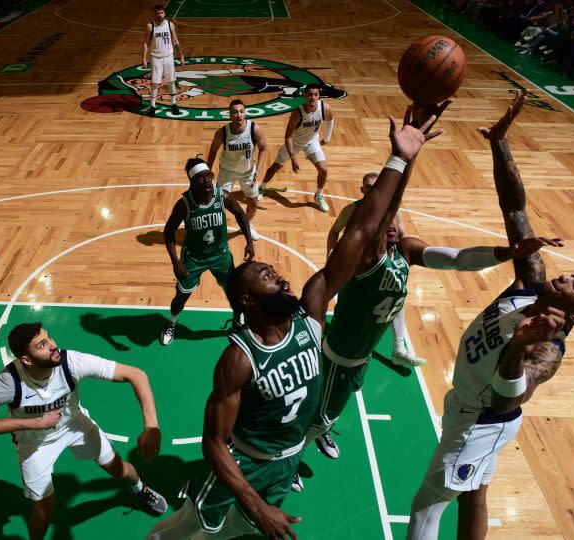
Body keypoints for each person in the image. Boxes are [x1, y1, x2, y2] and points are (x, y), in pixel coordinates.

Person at [147, 107, 444, 540]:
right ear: (247, 299)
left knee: (244, 533)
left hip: (285, 463)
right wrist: (254, 503)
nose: (283, 278)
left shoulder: (310, 316)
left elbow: (362, 232)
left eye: (278, 274)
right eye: (269, 277)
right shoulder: (239, 359)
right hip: (245, 464)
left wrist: (400, 160)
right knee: (179, 535)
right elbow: (213, 443)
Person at [406, 91, 574, 540]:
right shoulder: (531, 282)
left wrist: (518, 348)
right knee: (474, 494)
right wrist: (499, 142)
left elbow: (511, 398)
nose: (566, 276)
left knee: (427, 503)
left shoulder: (547, 348)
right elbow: (515, 209)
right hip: (465, 406)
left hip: (480, 421)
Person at [304, 101, 555, 474]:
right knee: (318, 415)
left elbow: (456, 258)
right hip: (340, 355)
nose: (390, 222)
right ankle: (293, 454)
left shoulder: (405, 250)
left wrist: (507, 252)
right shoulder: (366, 256)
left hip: (362, 353)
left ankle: (320, 425)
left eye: (394, 219)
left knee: (331, 407)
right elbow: (386, 211)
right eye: (385, 218)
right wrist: (406, 157)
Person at [0, 322, 168, 539]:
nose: (53, 346)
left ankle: (139, 489)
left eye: (50, 339)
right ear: (26, 360)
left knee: (120, 469)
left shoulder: (70, 362)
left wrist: (151, 425)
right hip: (34, 445)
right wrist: (33, 424)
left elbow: (136, 375)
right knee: (44, 512)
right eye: (42, 345)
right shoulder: (7, 383)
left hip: (76, 426)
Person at [326, 171, 423, 368]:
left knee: (395, 297)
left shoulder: (393, 211)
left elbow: (404, 238)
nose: (373, 190)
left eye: (376, 186)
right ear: (363, 190)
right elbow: (334, 230)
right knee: (347, 302)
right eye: (369, 188)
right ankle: (332, 335)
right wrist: (330, 257)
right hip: (357, 266)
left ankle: (399, 349)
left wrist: (400, 265)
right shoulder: (353, 210)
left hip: (383, 264)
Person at [159, 156, 255, 346]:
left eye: (208, 176)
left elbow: (240, 214)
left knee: (233, 291)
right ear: (192, 182)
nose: (207, 181)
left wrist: (249, 242)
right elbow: (168, 232)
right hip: (193, 259)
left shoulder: (222, 196)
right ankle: (172, 322)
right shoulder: (184, 204)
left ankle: (238, 319)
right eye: (201, 178)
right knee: (182, 295)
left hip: (221, 255)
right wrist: (175, 262)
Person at [258, 84, 336, 212]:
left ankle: (318, 195)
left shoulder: (324, 108)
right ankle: (262, 187)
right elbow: (288, 136)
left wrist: (327, 138)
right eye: (310, 94)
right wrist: (293, 158)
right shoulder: (297, 112)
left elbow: (331, 119)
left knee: (323, 169)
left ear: (319, 96)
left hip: (312, 142)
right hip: (295, 143)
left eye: (315, 94)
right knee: (275, 167)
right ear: (305, 95)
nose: (312, 97)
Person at [205, 100, 267, 240]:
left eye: (241, 111)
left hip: (249, 172)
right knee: (218, 203)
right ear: (230, 115)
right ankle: (216, 228)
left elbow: (263, 149)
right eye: (235, 112)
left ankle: (247, 225)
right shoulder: (222, 132)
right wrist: (208, 170)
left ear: (244, 113)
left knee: (253, 203)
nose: (238, 115)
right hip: (227, 171)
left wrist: (258, 170)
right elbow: (213, 150)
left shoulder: (254, 129)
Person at [142, 4, 185, 111]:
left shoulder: (170, 25)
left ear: (164, 13)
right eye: (157, 13)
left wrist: (181, 55)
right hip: (156, 58)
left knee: (171, 81)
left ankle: (174, 104)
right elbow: (146, 43)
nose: (159, 15)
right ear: (155, 14)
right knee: (155, 83)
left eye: (161, 13)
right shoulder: (150, 26)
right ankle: (152, 105)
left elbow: (175, 41)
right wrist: (143, 58)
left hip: (169, 57)